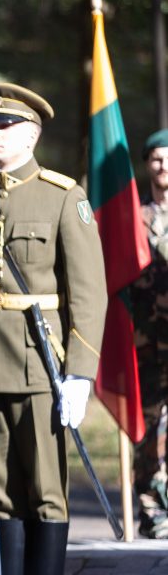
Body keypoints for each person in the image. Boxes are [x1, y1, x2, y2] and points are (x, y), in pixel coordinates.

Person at [0, 82, 106, 575]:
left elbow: (88, 292)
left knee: (45, 487)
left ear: (32, 133)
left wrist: (80, 373)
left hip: (43, 361)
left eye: (6, 126)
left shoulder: (62, 195)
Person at [130, 129, 168, 539]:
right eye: (156, 158)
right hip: (147, 345)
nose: (163, 166)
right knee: (149, 432)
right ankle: (153, 512)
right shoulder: (134, 220)